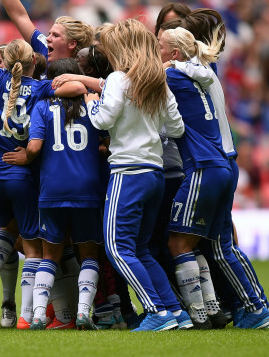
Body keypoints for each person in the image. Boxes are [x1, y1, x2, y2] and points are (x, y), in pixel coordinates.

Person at [0, 39, 87, 329]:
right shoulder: (38, 87)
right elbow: (78, 89)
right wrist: (65, 79)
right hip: (21, 173)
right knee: (33, 247)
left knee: (6, 226)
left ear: (6, 62)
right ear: (33, 61)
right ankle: (25, 315)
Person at [159, 24, 269, 329]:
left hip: (202, 168)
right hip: (222, 164)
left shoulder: (172, 75)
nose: (153, 53)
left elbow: (132, 84)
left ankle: (199, 314)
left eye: (157, 46)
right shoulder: (200, 76)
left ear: (173, 53)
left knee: (178, 244)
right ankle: (258, 307)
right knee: (223, 247)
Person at [84, 19, 191, 331]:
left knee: (117, 247)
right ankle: (175, 310)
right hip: (155, 173)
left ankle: (157, 312)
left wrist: (92, 104)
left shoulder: (118, 78)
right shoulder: (158, 81)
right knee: (141, 249)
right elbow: (177, 128)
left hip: (127, 171)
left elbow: (103, 120)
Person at [1, 58, 104, 330]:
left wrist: (25, 157)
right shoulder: (93, 105)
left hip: (52, 188)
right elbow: (105, 143)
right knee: (89, 254)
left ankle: (37, 316)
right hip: (88, 187)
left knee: (50, 256)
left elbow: (34, 147)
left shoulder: (42, 106)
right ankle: (83, 312)